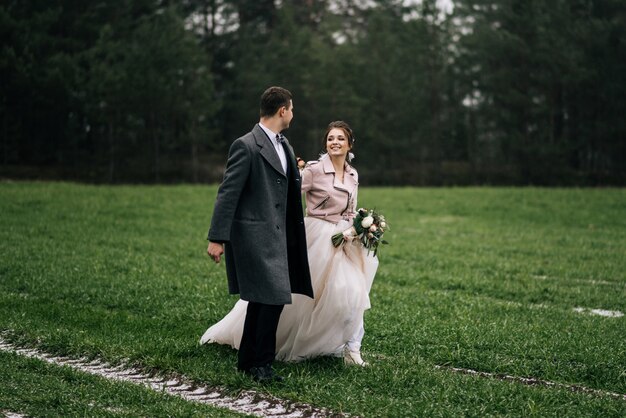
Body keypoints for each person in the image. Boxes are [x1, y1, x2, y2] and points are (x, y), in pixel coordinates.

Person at [202, 120, 378, 367]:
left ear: (350, 144)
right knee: (300, 298)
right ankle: (277, 339)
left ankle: (352, 349)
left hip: (346, 239)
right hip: (316, 236)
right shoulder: (315, 170)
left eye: (340, 138)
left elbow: (349, 209)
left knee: (353, 293)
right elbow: (286, 195)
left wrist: (360, 226)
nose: (334, 142)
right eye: (330, 138)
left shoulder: (352, 173)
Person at [205, 86, 313, 383]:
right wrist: (217, 237)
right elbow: (228, 193)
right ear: (282, 110)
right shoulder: (246, 145)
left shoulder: (285, 146)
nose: (293, 114)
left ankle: (247, 360)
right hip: (254, 236)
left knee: (264, 300)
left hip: (281, 236)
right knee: (272, 298)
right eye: (292, 108)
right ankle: (261, 365)